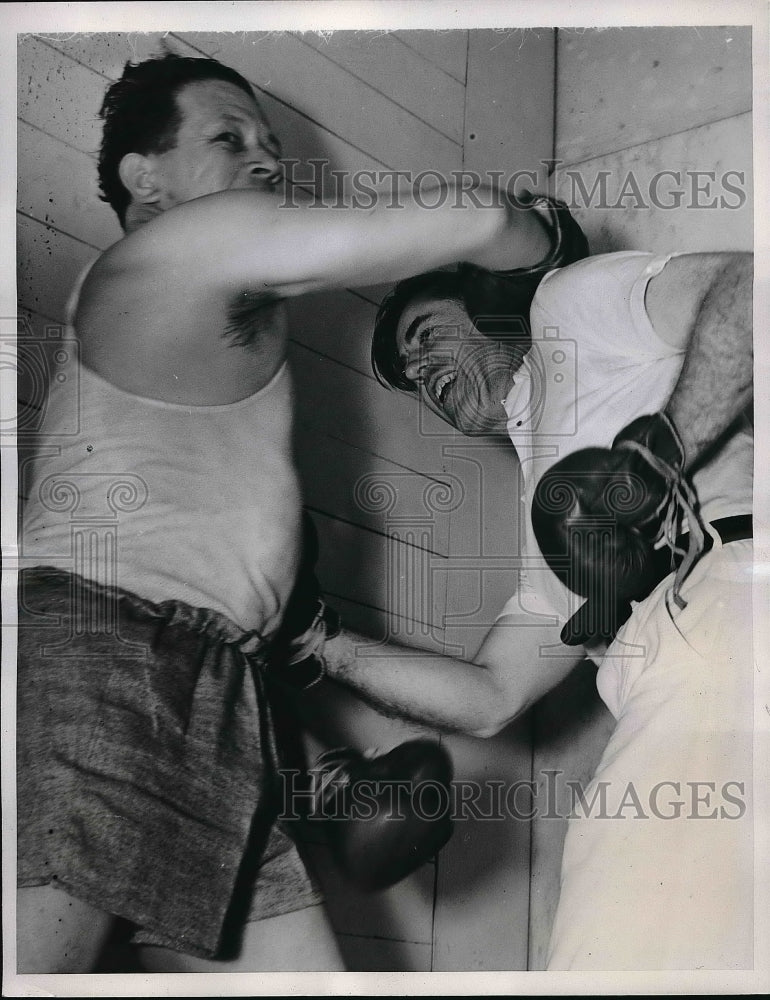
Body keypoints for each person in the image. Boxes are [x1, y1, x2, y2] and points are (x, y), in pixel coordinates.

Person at [16, 52, 558, 974]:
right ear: (145, 178)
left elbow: (222, 593)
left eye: (270, 142)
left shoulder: (207, 327)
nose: (265, 158)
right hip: (107, 658)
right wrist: (544, 254)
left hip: (215, 682)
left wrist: (317, 766)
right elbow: (480, 218)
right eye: (228, 138)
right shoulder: (183, 245)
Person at [313, 242, 754, 969]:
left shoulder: (564, 308)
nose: (422, 373)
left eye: (427, 335)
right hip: (672, 673)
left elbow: (752, 285)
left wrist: (657, 456)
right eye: (413, 379)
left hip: (725, 606)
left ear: (493, 308)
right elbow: (493, 694)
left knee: (610, 954)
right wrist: (322, 644)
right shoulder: (539, 503)